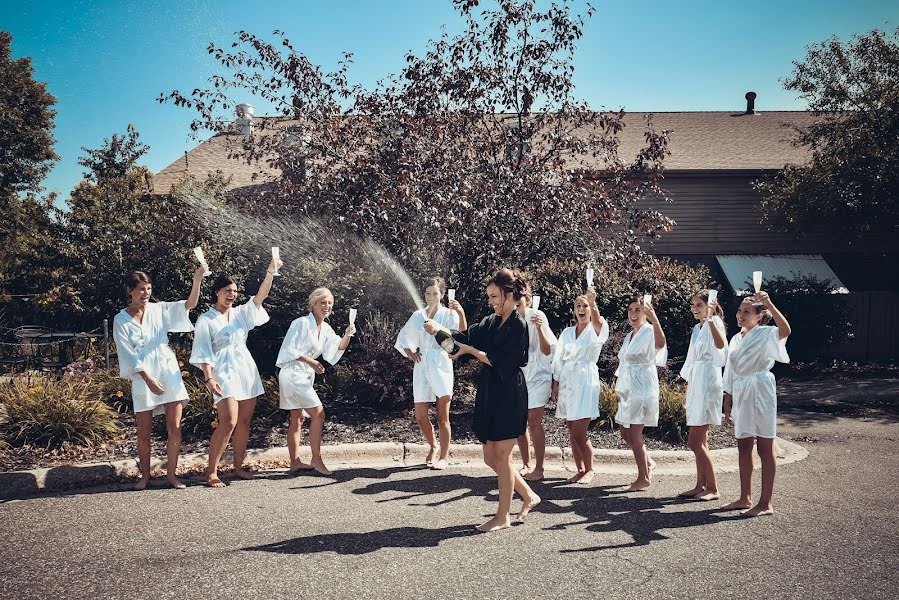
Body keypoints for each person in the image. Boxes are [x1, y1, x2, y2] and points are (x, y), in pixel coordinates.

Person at [426, 268, 540, 532]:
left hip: (510, 392)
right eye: (489, 297)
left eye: (494, 296)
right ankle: (530, 495)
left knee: (502, 456)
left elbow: (501, 361)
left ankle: (503, 516)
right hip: (491, 391)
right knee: (491, 457)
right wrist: (439, 332)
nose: (491, 301)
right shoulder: (491, 321)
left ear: (509, 294)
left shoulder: (518, 325)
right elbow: (462, 340)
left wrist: (469, 351)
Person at [190, 257, 281, 488]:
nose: (231, 295)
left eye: (235, 291)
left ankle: (238, 467)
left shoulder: (241, 313)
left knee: (244, 421)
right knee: (228, 421)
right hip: (221, 371)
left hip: (245, 369)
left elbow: (260, 296)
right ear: (217, 292)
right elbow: (203, 352)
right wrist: (209, 378)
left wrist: (270, 273)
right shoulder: (206, 320)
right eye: (227, 291)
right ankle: (211, 472)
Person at [113, 266, 205, 490]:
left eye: (149, 288)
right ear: (130, 291)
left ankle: (172, 476)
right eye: (141, 289)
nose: (145, 293)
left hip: (167, 367)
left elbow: (189, 305)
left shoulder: (159, 309)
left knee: (174, 426)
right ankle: (145, 476)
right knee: (144, 430)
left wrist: (197, 280)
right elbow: (127, 353)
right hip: (142, 373)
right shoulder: (121, 319)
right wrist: (147, 378)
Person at [722, 292, 791, 517]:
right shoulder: (735, 338)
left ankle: (765, 503)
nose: (740, 315)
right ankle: (745, 497)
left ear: (760, 316)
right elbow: (730, 371)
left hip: (760, 389)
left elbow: (786, 331)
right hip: (741, 390)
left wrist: (769, 302)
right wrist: (728, 398)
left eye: (746, 311)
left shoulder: (766, 333)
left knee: (764, 446)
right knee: (743, 445)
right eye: (739, 311)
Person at [277, 287, 356, 476]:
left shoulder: (326, 328)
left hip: (304, 376)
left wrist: (348, 334)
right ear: (313, 304)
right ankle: (316, 458)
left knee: (297, 418)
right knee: (318, 414)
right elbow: (289, 349)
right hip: (293, 375)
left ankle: (295, 462)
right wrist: (311, 361)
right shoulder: (301, 323)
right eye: (323, 302)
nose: (326, 306)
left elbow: (335, 349)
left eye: (329, 303)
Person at [395, 277, 467, 470]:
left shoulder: (449, 314)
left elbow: (462, 334)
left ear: (442, 294)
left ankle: (444, 456)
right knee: (420, 415)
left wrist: (460, 312)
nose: (431, 297)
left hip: (441, 363)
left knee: (443, 415)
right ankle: (433, 445)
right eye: (427, 293)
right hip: (422, 365)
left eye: (435, 293)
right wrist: (410, 352)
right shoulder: (418, 315)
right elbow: (403, 338)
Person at [550, 287, 608, 484]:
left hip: (585, 380)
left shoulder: (595, 329)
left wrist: (593, 302)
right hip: (567, 380)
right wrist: (555, 383)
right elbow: (558, 358)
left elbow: (600, 325)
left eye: (585, 306)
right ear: (574, 310)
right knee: (570, 426)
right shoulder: (567, 332)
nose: (582, 309)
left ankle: (590, 469)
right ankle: (580, 469)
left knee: (579, 430)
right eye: (578, 306)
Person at [614, 295, 668, 491]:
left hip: (642, 387)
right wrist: (618, 389)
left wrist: (655, 320)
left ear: (645, 312)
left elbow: (660, 344)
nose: (633, 314)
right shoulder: (630, 335)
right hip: (628, 388)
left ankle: (643, 477)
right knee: (625, 432)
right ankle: (649, 463)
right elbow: (623, 363)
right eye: (631, 310)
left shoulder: (649, 330)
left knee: (635, 433)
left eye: (638, 309)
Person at [678, 290, 727, 501]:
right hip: (697, 381)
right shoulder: (697, 328)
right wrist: (688, 389)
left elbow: (720, 346)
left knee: (695, 441)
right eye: (693, 305)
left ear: (710, 305)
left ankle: (714, 488)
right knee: (701, 440)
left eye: (699, 304)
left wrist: (710, 319)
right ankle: (700, 484)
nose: (695, 309)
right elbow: (691, 359)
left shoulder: (714, 322)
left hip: (708, 381)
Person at [516, 285, 556, 481]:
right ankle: (526, 463)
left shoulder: (537, 316)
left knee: (533, 420)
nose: (516, 303)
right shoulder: (509, 319)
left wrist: (539, 329)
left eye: (519, 299)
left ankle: (539, 468)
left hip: (539, 375)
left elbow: (548, 352)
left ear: (528, 300)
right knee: (518, 422)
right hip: (519, 376)